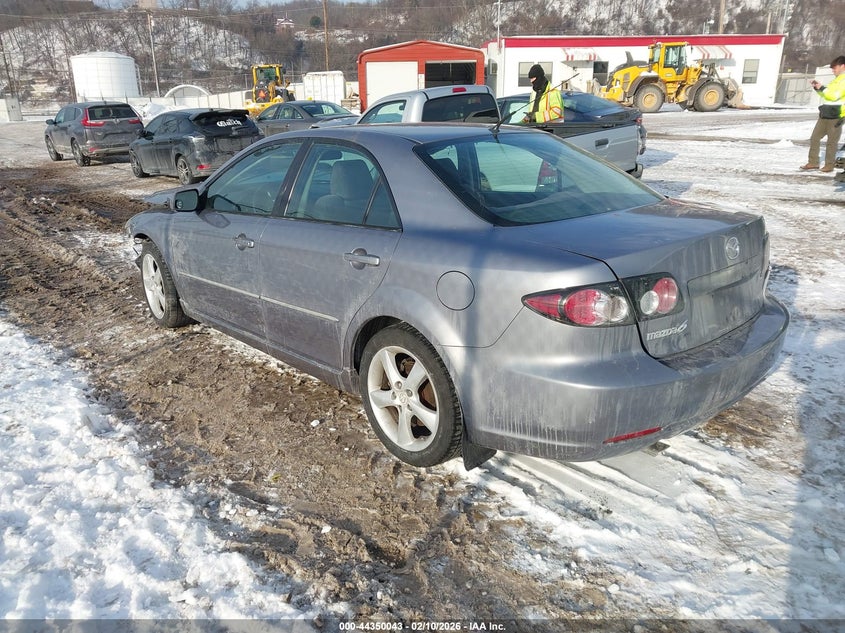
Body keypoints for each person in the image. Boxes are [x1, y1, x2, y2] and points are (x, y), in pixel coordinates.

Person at [801, 55, 845, 173]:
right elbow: (826, 95)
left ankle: (829, 165)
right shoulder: (835, 80)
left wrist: (822, 88)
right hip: (825, 113)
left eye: (834, 68)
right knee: (815, 137)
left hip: (836, 115)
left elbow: (834, 96)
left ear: (842, 66)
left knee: (831, 142)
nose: (833, 70)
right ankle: (813, 162)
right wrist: (818, 88)